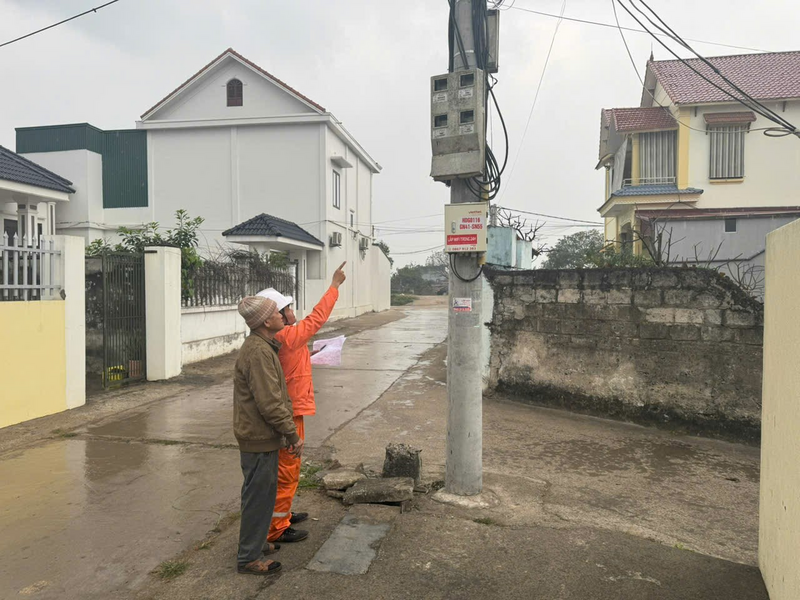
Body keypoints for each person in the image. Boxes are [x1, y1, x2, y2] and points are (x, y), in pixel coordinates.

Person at [257, 261, 347, 545]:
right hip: (290, 413)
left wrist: (315, 353)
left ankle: (282, 515)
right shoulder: (285, 335)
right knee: (287, 469)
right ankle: (277, 528)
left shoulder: (282, 336)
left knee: (288, 468)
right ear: (278, 315)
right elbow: (316, 319)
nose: (293, 311)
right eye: (288, 307)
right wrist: (333, 286)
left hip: (293, 409)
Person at [233, 296, 303, 576]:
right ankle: (248, 558)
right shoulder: (259, 352)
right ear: (265, 321)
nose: (281, 314)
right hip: (258, 437)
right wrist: (291, 434)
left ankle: (257, 543)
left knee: (262, 493)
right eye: (276, 311)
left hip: (262, 436)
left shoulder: (263, 347)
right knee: (258, 497)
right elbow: (270, 402)